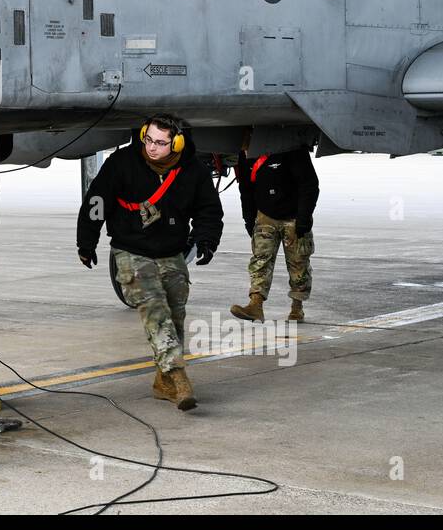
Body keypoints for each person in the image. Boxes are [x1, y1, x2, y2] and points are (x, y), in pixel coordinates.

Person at [77, 116, 223, 410]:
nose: (152, 148)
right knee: (155, 310)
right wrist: (86, 242)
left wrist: (206, 241)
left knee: (175, 314)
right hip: (130, 250)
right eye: (148, 140)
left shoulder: (191, 169)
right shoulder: (122, 163)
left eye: (160, 143)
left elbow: (208, 208)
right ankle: (179, 377)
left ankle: (162, 382)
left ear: (176, 143)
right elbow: (97, 201)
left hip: (171, 252)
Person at [230, 145, 320, 323]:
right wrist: (249, 219)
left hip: (293, 216)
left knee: (298, 263)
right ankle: (255, 305)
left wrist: (303, 217)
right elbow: (246, 190)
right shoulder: (246, 154)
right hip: (265, 215)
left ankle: (297, 307)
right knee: (260, 261)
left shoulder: (291, 147)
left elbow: (309, 184)